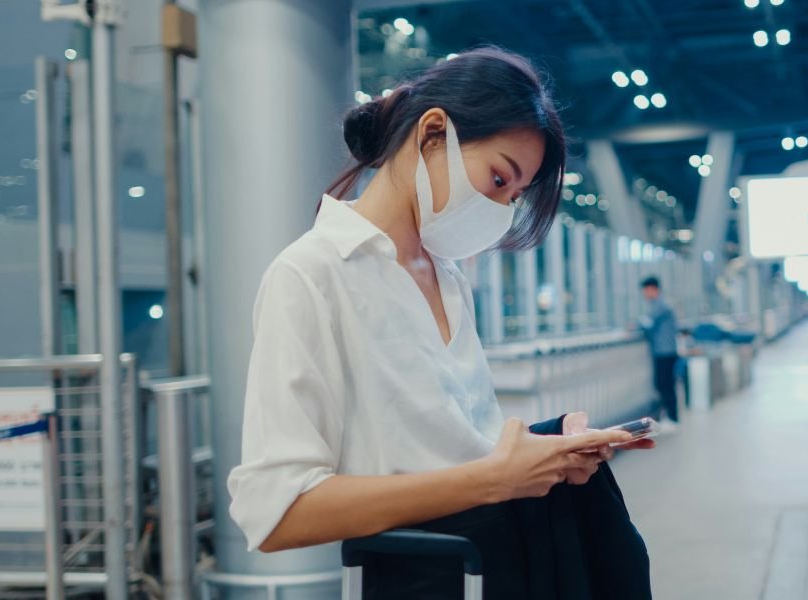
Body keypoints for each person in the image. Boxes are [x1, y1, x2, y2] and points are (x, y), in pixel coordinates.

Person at [226, 47, 654, 599]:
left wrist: (549, 446)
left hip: (499, 565)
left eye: (514, 196)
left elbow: (453, 448)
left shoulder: (448, 278)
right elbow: (278, 512)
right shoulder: (311, 275)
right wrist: (496, 478)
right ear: (433, 133)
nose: (501, 208)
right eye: (499, 179)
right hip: (418, 577)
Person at [638, 276, 680, 428]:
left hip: (665, 352)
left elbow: (646, 323)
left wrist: (636, 324)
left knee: (665, 385)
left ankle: (673, 418)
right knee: (664, 384)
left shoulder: (661, 305)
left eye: (645, 290)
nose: (644, 294)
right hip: (664, 351)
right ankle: (669, 417)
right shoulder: (660, 304)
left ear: (653, 289)